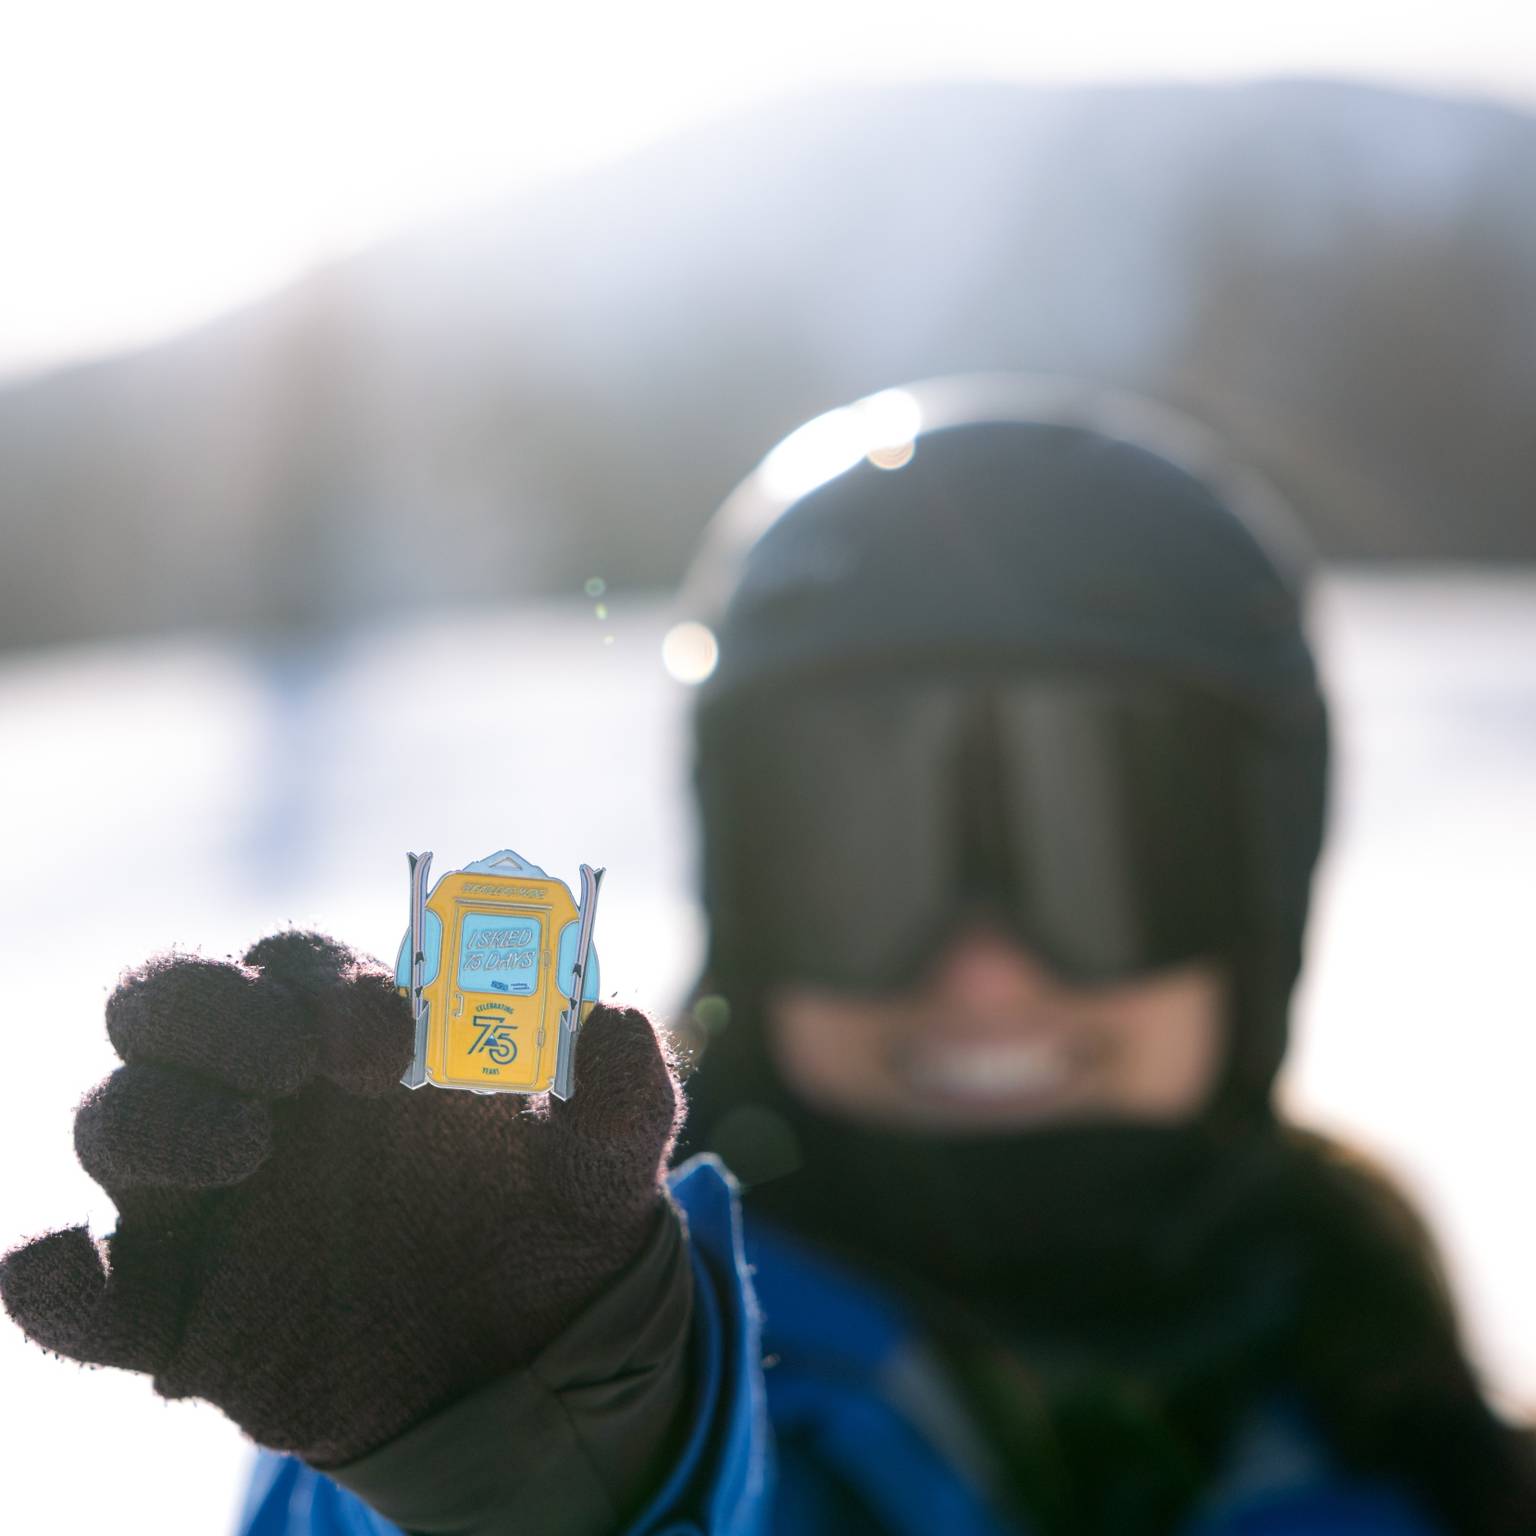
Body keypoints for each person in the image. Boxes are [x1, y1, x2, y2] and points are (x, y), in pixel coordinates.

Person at [4, 378, 1532, 1536]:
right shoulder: (554, 1323)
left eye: (1109, 852)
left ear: (1258, 905)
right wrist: (517, 1453)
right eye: (868, 856)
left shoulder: (1411, 1438)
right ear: (754, 897)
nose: (985, 973)